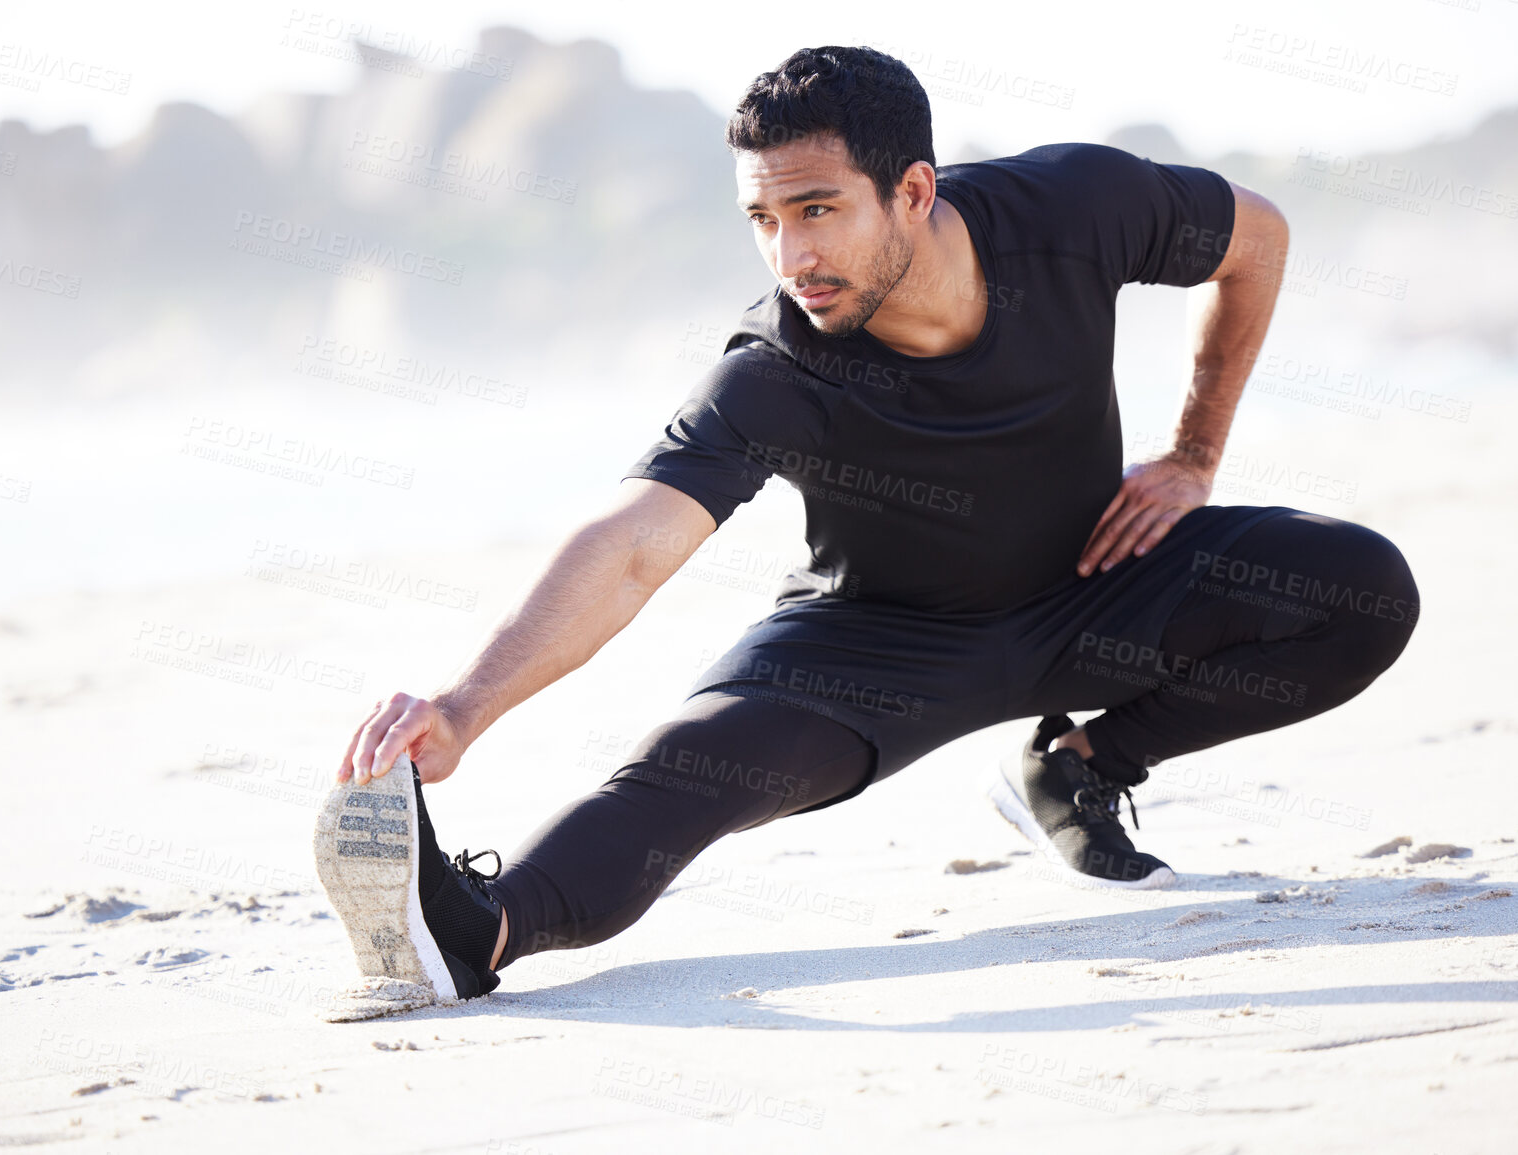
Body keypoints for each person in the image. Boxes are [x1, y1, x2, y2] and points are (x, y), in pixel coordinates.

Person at [311, 45, 1420, 1013]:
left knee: (1359, 589)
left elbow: (1256, 238)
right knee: (682, 780)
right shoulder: (778, 366)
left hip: (1096, 583)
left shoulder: (1073, 211)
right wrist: (465, 706)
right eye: (764, 219)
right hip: (874, 650)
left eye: (817, 209)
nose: (791, 257)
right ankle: (470, 933)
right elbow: (636, 541)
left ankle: (1080, 766)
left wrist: (1192, 457)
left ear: (914, 188)